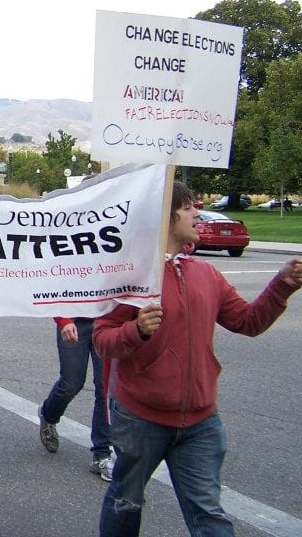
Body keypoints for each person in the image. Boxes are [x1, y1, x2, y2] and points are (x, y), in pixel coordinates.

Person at [94, 181, 302, 536]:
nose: (197, 212)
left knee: (209, 514)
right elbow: (102, 340)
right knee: (125, 502)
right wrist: (137, 330)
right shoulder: (133, 276)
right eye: (189, 206)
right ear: (167, 216)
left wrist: (281, 285)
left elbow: (247, 322)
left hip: (201, 422)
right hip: (141, 419)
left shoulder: (206, 273)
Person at [38, 316, 114, 480]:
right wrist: (64, 321)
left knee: (105, 388)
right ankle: (48, 414)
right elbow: (56, 290)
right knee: (72, 383)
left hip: (108, 322)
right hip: (74, 320)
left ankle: (102, 454)